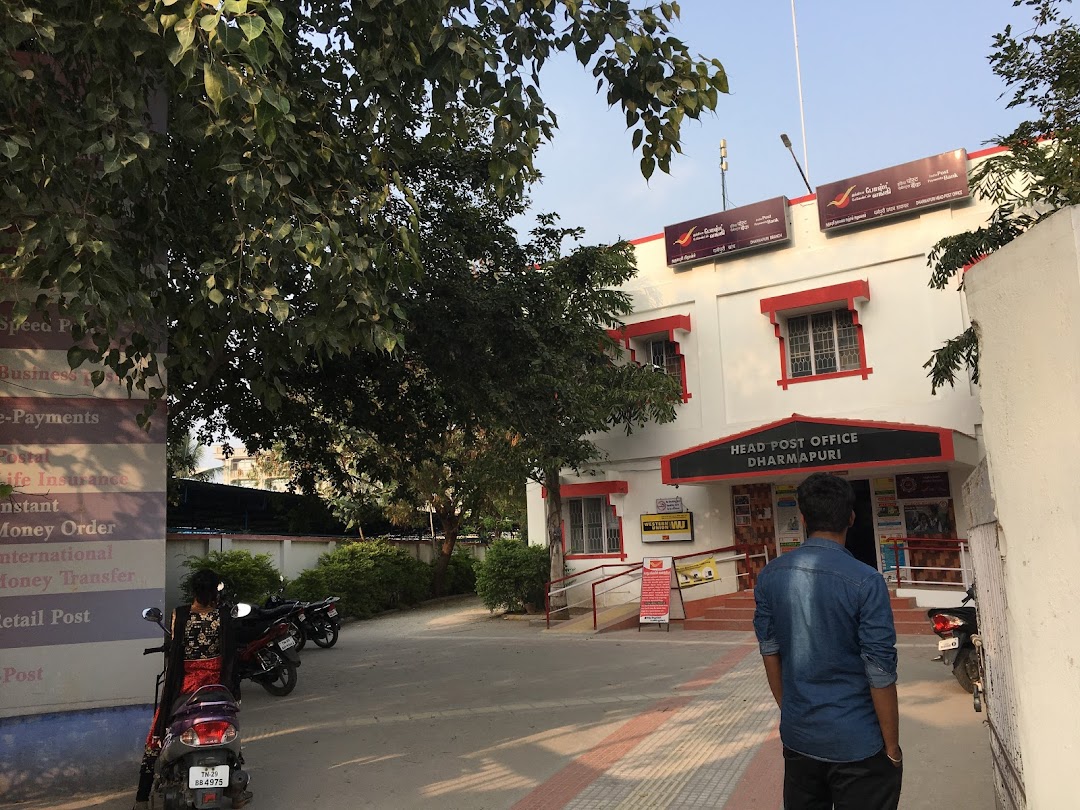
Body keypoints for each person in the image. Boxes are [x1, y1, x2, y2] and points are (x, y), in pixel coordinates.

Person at [753, 472, 902, 809]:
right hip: (859, 744)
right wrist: (891, 748)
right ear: (851, 517)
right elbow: (880, 670)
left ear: (803, 518)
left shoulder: (770, 576)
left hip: (800, 737)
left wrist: (793, 713)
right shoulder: (867, 581)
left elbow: (770, 651)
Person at [133, 569, 252, 810]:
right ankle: (238, 791)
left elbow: (174, 647)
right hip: (217, 686)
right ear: (214, 592)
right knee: (232, 733)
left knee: (156, 736)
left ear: (194, 591)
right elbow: (230, 654)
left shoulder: (180, 614)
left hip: (185, 686)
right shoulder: (224, 616)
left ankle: (142, 798)